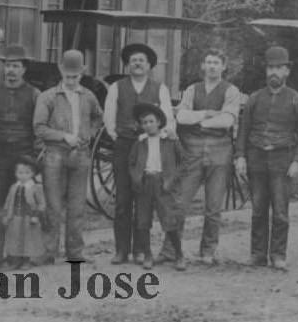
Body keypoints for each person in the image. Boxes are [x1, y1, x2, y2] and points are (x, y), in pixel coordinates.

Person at [235, 46, 298, 271]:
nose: (274, 72)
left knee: (280, 211)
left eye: (279, 68)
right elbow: (243, 130)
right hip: (257, 159)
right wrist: (240, 156)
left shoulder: (297, 100)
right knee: (258, 209)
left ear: (287, 71)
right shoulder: (254, 99)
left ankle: (278, 255)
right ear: (266, 71)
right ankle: (257, 254)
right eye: (271, 68)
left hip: (283, 160)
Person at [166, 48, 241, 265]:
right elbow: (181, 115)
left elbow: (227, 120)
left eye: (216, 63)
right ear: (203, 65)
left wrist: (197, 120)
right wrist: (207, 114)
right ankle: (171, 249)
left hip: (220, 151)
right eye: (208, 62)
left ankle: (208, 251)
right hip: (193, 150)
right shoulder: (192, 89)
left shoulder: (231, 91)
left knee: (213, 206)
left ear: (223, 67)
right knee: (180, 202)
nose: (211, 66)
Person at [103, 43, 175, 265]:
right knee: (123, 201)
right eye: (133, 60)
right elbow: (109, 120)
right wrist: (120, 140)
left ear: (149, 65)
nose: (137, 63)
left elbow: (168, 120)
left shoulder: (159, 88)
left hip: (149, 148)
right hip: (124, 147)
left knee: (144, 201)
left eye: (141, 60)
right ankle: (121, 250)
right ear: (127, 64)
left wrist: (152, 140)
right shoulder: (117, 87)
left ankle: (142, 251)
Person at [34, 50, 103, 263]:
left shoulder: (88, 96)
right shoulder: (48, 97)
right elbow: (39, 128)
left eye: (76, 76)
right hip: (54, 156)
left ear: (82, 73)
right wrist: (64, 136)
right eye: (68, 76)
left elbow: (98, 119)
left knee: (77, 206)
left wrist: (87, 136)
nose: (72, 81)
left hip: (80, 157)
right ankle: (49, 251)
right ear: (60, 71)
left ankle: (75, 252)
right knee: (53, 206)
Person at [0, 44, 40, 269]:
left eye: (16, 66)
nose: (11, 71)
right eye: (7, 66)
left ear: (24, 69)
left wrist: (34, 161)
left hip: (23, 159)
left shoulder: (34, 95)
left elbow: (39, 126)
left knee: (23, 209)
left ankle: (21, 255)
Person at [129, 103, 186, 271]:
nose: (148, 125)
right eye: (144, 122)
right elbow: (131, 163)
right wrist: (136, 178)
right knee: (143, 221)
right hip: (145, 183)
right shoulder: (140, 143)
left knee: (169, 220)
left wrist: (172, 180)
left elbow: (183, 162)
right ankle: (148, 255)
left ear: (159, 122)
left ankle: (179, 255)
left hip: (163, 184)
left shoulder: (170, 141)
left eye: (151, 121)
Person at [2, 155, 47, 270]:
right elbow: (8, 202)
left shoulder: (35, 187)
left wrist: (36, 216)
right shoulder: (13, 187)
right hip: (15, 217)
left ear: (32, 173)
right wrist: (7, 215)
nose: (23, 176)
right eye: (20, 173)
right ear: (15, 173)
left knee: (28, 239)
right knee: (15, 237)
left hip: (28, 217)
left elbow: (41, 204)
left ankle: (27, 260)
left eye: (27, 173)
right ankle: (15, 260)